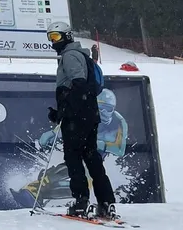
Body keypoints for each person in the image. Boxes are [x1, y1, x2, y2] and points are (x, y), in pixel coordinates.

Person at [45, 21, 116, 220]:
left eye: (56, 37)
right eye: (50, 37)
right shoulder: (80, 55)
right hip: (88, 115)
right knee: (92, 158)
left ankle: (81, 201)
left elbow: (79, 83)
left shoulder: (70, 56)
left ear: (67, 36)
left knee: (73, 158)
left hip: (77, 117)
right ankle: (106, 202)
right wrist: (62, 111)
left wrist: (65, 111)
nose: (53, 42)